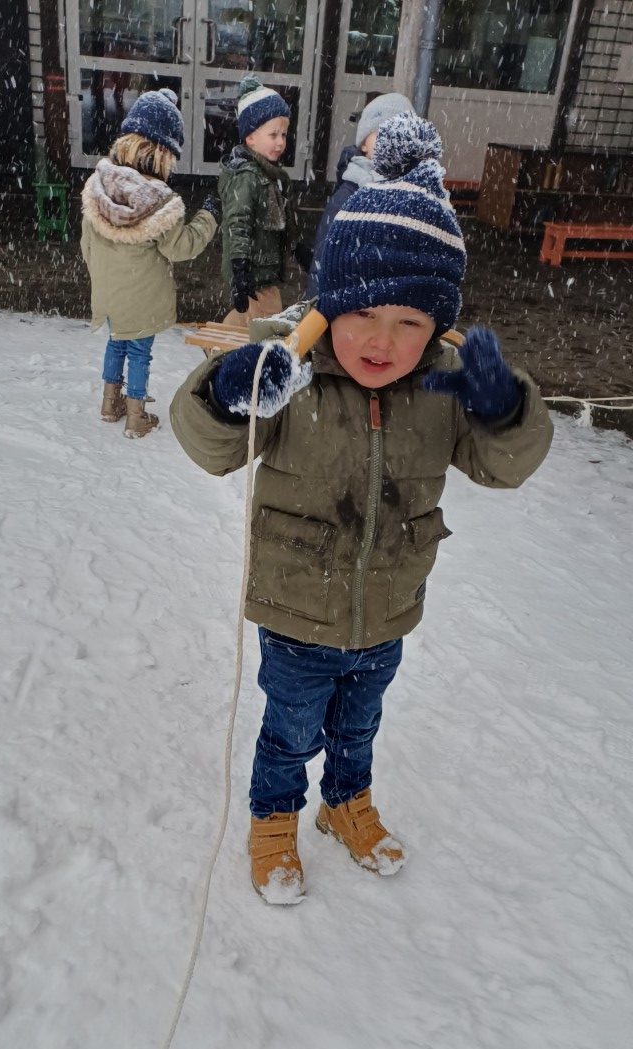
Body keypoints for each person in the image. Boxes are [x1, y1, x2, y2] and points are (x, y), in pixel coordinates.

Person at [170, 113, 553, 905]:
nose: (383, 341)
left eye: (410, 322)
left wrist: (505, 409)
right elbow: (209, 444)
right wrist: (230, 391)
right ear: (329, 308)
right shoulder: (293, 370)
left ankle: (346, 803)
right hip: (296, 610)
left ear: (438, 326)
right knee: (291, 730)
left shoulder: (442, 385)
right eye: (363, 316)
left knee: (359, 726)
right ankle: (274, 818)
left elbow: (504, 465)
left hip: (386, 611)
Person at [81, 87, 218, 438]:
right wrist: (208, 217)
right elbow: (181, 247)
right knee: (140, 352)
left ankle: (109, 403)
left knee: (116, 342)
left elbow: (87, 244)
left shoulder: (98, 187)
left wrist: (103, 276)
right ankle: (136, 415)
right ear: (162, 153)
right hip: (143, 300)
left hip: (109, 293)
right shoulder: (160, 202)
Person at [304, 91, 416, 297]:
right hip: (353, 301)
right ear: (363, 144)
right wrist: (317, 304)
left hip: (397, 303)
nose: (391, 143)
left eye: (401, 136)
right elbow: (324, 259)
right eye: (382, 134)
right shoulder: (349, 195)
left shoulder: (417, 195)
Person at [218, 75, 292, 328]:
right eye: (273, 135)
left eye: (284, 134)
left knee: (250, 319)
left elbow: (283, 219)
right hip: (253, 268)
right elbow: (237, 223)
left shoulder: (270, 174)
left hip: (264, 267)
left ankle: (219, 345)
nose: (280, 142)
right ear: (250, 138)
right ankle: (226, 346)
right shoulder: (247, 176)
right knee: (268, 322)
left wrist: (298, 248)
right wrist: (240, 267)